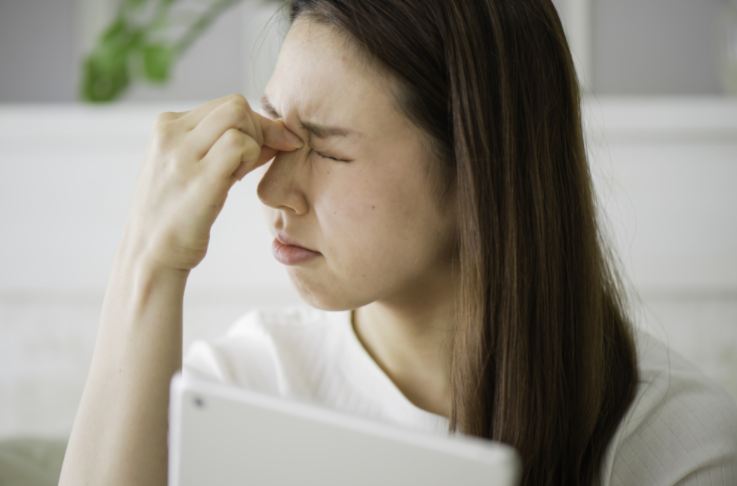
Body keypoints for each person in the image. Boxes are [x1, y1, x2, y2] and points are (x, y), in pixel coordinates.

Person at [59, 0, 737, 485]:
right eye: (278, 131)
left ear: (478, 169)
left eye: (326, 149)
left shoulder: (679, 449)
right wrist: (150, 259)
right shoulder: (240, 392)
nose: (272, 191)